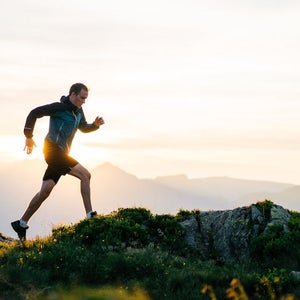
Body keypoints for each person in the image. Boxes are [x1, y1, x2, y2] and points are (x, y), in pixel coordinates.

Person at [11, 83, 105, 240]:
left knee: (45, 191)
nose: (84, 101)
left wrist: (94, 125)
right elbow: (34, 113)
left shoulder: (78, 111)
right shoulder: (58, 107)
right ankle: (90, 215)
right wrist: (28, 136)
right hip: (53, 151)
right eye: (82, 98)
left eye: (86, 98)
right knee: (85, 175)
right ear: (73, 95)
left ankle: (21, 223)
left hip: (62, 153)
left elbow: (83, 127)